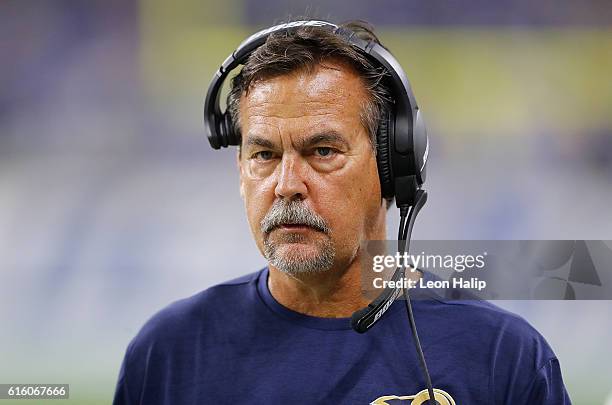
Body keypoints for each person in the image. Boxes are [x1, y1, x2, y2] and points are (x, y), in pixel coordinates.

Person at [113, 20, 571, 404]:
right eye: (264, 155)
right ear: (240, 168)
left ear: (393, 166)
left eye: (323, 150)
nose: (287, 185)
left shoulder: (502, 359)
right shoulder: (168, 353)